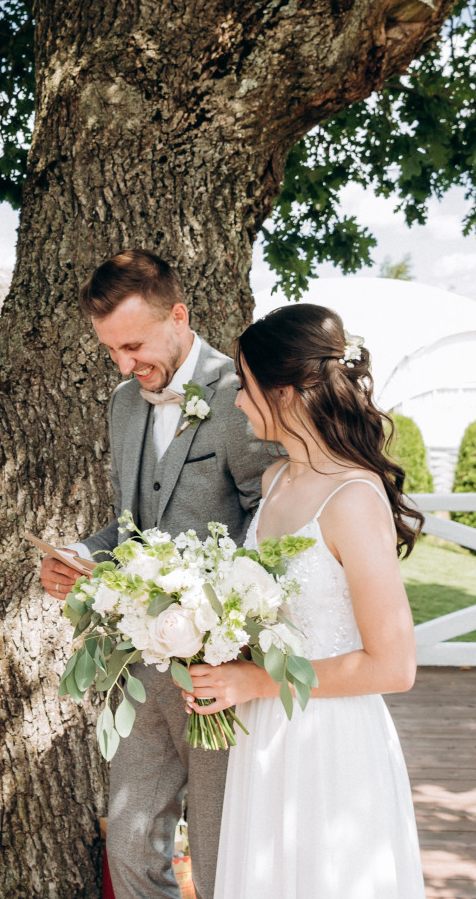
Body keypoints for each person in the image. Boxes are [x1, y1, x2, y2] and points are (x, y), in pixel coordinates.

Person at [38, 250, 272, 899]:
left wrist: (226, 621)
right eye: (110, 349)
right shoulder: (121, 405)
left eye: (133, 345)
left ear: (178, 316)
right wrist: (82, 556)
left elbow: (273, 527)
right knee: (131, 842)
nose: (123, 365)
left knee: (221, 848)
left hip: (216, 669)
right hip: (135, 660)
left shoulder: (240, 398)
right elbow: (132, 527)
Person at [185, 304, 425, 898]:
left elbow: (395, 667)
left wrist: (256, 682)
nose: (238, 400)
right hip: (264, 736)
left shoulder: (352, 499)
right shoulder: (274, 482)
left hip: (331, 744)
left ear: (286, 392)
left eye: (247, 386)